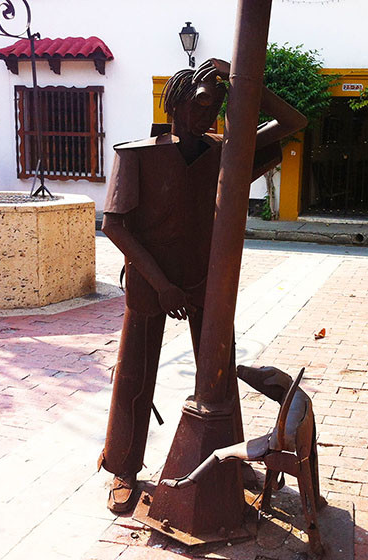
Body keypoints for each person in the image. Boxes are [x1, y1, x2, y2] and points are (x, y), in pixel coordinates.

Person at [97, 58, 306, 513]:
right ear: (175, 104)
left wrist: (240, 79)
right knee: (134, 375)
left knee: (219, 374)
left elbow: (293, 122)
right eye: (201, 104)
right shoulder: (138, 154)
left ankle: (231, 460)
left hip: (204, 282)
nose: (209, 115)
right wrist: (161, 282)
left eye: (216, 105)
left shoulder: (225, 152)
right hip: (152, 282)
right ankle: (123, 467)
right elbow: (115, 225)